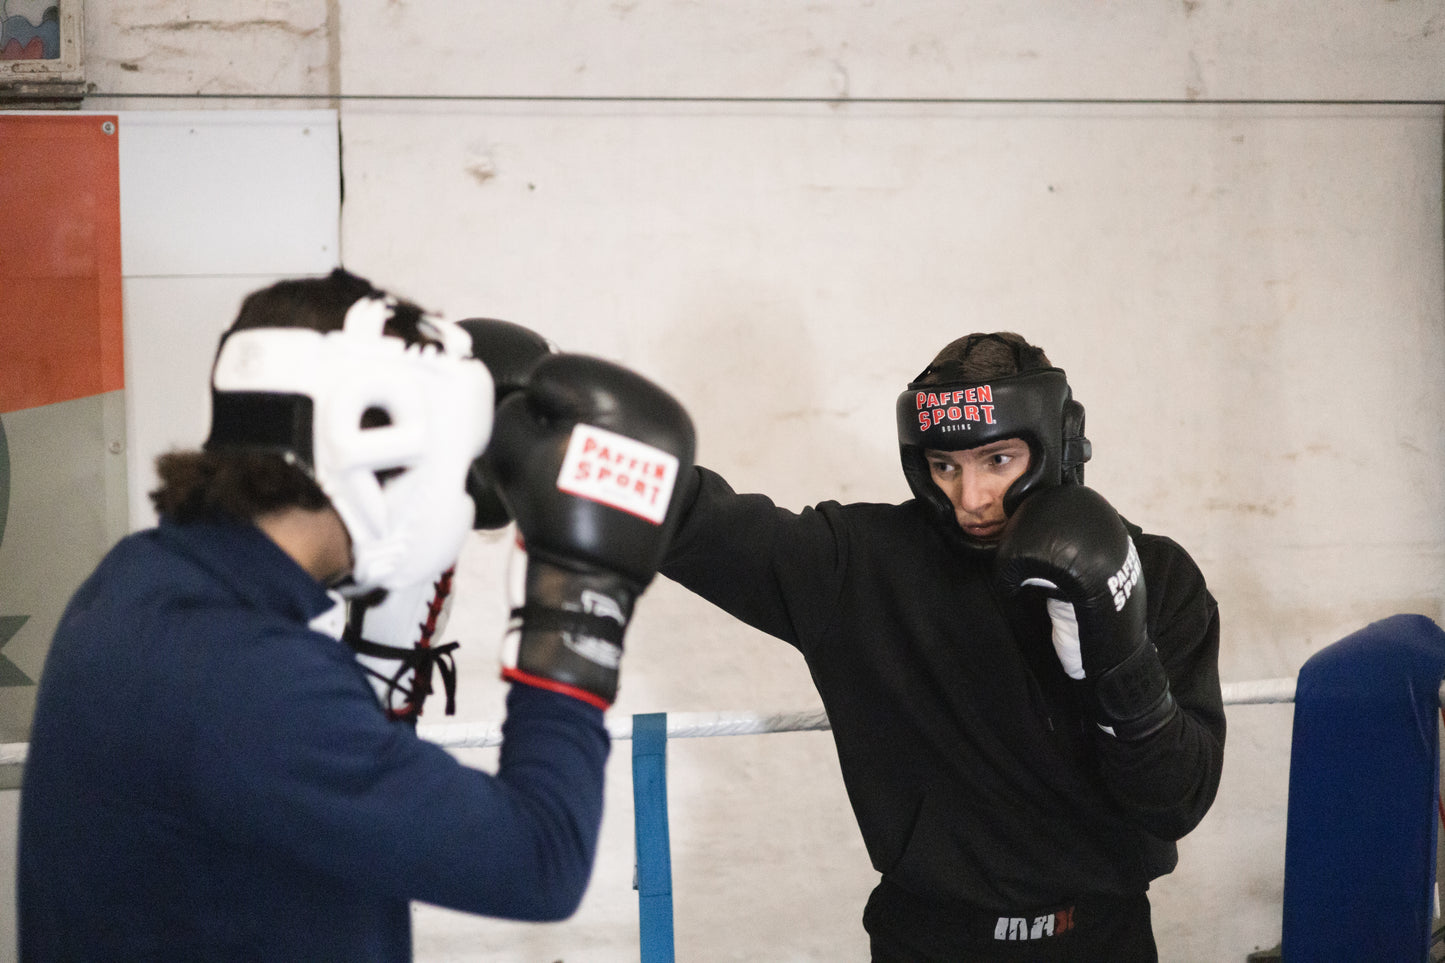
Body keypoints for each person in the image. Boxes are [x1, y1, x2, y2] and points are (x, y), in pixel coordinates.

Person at [16, 269, 695, 961]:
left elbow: (290, 803)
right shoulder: (245, 675)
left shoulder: (139, 581)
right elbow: (540, 860)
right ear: (367, 433)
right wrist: (580, 599)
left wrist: (379, 658)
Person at [659, 331, 1224, 962]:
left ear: (1058, 449)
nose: (971, 498)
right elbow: (707, 527)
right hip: (930, 939)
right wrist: (569, 451)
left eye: (998, 461)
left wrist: (1121, 659)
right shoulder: (860, 566)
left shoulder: (1156, 574)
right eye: (945, 466)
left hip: (1101, 937)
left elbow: (1178, 801)